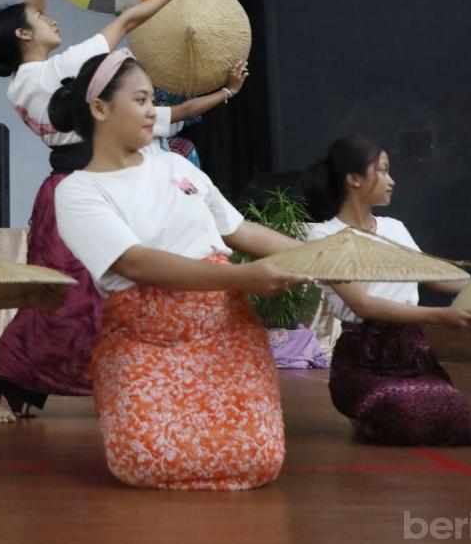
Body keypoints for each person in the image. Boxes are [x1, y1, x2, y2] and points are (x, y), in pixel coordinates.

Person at [0, 0, 247, 424]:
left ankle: (29, 389)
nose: (51, 17)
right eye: (40, 16)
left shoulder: (41, 75)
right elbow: (124, 23)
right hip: (77, 191)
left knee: (89, 299)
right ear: (22, 33)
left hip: (92, 184)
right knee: (65, 299)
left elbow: (168, 116)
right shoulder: (59, 71)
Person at [52, 49, 309, 489]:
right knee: (148, 461)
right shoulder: (78, 190)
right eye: (140, 100)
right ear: (99, 108)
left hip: (225, 331)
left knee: (259, 460)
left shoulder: (174, 165)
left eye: (153, 99)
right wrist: (242, 277)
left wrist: (320, 259)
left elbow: (239, 230)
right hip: (146, 340)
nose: (154, 112)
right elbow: (135, 261)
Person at [300, 136, 471, 446]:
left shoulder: (394, 228)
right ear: (354, 179)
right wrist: (442, 316)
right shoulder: (325, 235)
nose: (392, 181)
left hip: (413, 354)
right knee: (404, 413)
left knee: (455, 417)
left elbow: (437, 276)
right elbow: (363, 306)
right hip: (362, 359)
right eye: (384, 171)